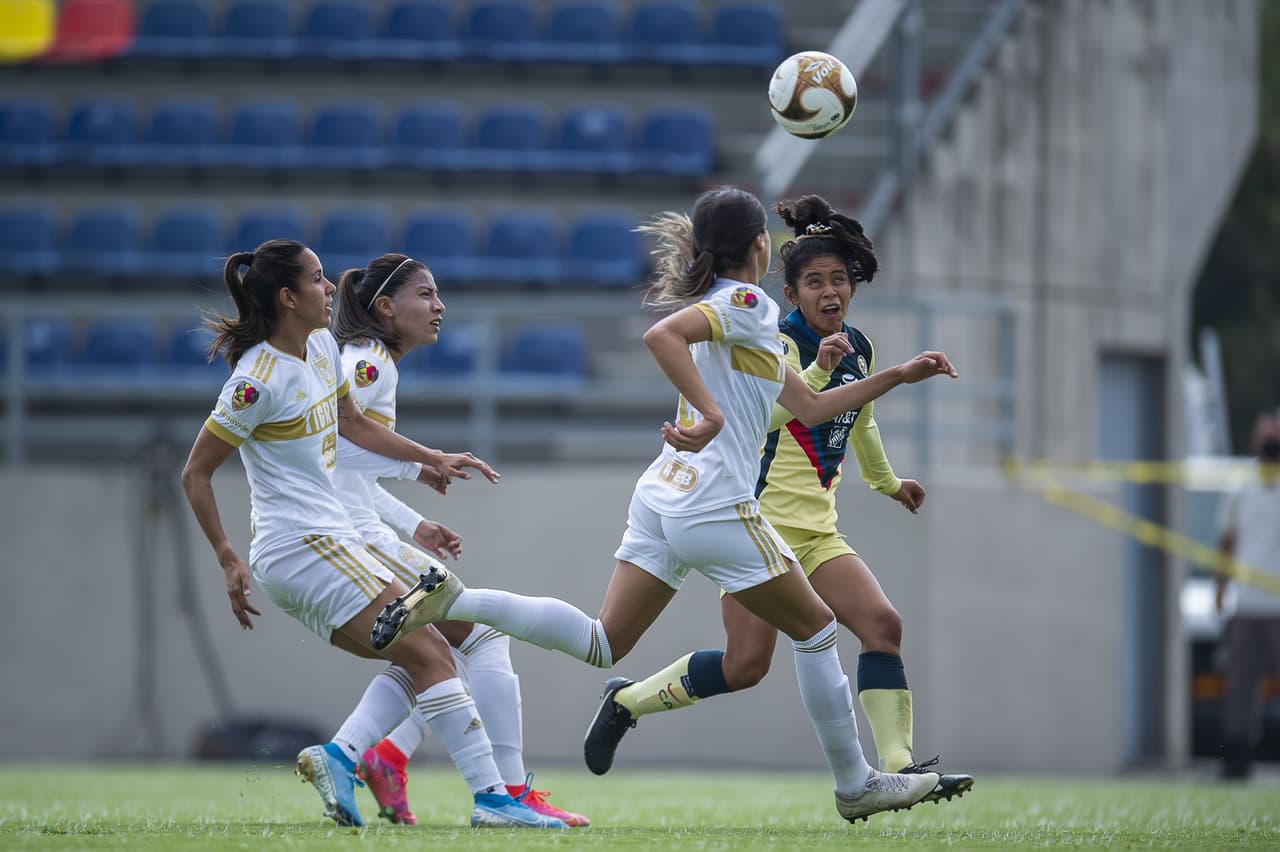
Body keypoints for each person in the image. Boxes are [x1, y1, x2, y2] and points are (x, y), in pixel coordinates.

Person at [370, 186, 959, 824]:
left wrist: (897, 376)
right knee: (817, 630)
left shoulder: (735, 309)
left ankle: (453, 600)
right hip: (714, 502)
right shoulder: (747, 301)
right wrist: (708, 413)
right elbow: (661, 335)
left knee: (603, 640)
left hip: (664, 494)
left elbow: (812, 407)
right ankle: (855, 784)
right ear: (759, 245)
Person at [577, 195, 974, 802]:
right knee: (746, 666)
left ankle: (902, 766)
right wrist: (817, 373)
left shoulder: (856, 348)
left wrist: (889, 482)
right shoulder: (771, 335)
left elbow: (858, 421)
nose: (829, 292)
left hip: (816, 531)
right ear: (789, 293)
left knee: (882, 625)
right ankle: (628, 701)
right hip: (755, 520)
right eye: (814, 282)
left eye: (838, 279)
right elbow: (773, 420)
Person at [179, 239, 567, 830]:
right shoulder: (257, 378)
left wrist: (428, 458)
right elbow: (195, 472)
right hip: (304, 546)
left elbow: (352, 425)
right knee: (442, 649)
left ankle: (343, 757)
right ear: (287, 297)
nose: (331, 289)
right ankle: (495, 799)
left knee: (430, 652)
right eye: (316, 280)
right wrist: (228, 557)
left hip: (330, 542)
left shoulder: (317, 349)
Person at [329, 252, 589, 827]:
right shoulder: (369, 363)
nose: (439, 306)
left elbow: (347, 469)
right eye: (426, 294)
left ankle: (375, 754)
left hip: (360, 529)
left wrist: (411, 521)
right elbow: (328, 444)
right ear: (385, 307)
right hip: (348, 538)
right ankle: (509, 794)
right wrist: (422, 463)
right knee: (482, 639)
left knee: (449, 650)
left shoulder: (372, 361)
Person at [1215, 411, 1280, 779]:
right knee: (1240, 688)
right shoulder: (1241, 489)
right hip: (1248, 603)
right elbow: (1227, 542)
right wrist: (1220, 588)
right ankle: (1235, 760)